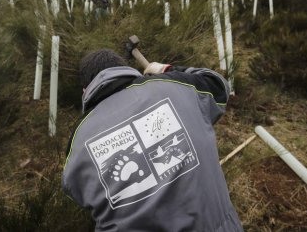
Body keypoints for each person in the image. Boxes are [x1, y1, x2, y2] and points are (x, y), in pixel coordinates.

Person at [62, 49, 243, 231]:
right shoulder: (177, 86)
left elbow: (74, 190)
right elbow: (219, 86)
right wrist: (165, 69)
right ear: (124, 69)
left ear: (85, 90)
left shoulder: (79, 139)